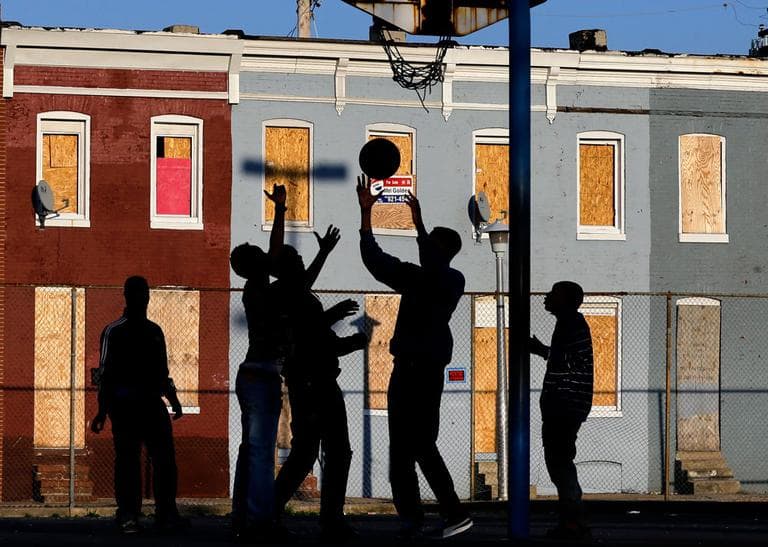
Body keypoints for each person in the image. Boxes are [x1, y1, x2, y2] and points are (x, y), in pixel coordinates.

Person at [355, 175, 472, 540]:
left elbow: (395, 262)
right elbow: (376, 260)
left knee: (417, 446)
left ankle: (451, 512)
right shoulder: (428, 278)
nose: (424, 248)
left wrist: (413, 223)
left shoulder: (447, 279)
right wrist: (369, 215)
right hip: (414, 368)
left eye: (430, 245)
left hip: (418, 370)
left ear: (441, 251)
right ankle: (417, 518)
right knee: (405, 451)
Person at [272, 238, 367, 543]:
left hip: (313, 382)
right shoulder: (289, 298)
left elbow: (319, 339)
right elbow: (310, 336)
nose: (303, 264)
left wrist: (347, 343)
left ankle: (276, 512)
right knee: (325, 452)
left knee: (312, 452)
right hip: (314, 384)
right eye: (297, 262)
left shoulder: (296, 295)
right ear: (287, 270)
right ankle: (326, 520)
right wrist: (336, 317)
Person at [91, 275, 186, 534]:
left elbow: (162, 371)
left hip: (151, 404)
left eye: (143, 293)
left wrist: (173, 399)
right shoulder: (114, 331)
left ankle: (165, 513)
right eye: (137, 293)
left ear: (147, 297)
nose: (142, 298)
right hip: (125, 406)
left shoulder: (154, 331)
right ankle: (129, 514)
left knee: (164, 460)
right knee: (129, 461)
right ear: (128, 296)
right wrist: (102, 411)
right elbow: (105, 374)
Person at [229, 184, 292, 542]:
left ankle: (244, 517)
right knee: (259, 454)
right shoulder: (260, 290)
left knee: (250, 451)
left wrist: (281, 211)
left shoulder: (257, 287)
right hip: (262, 376)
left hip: (256, 375)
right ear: (255, 264)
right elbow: (277, 254)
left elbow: (275, 253)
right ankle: (258, 523)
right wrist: (280, 212)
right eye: (258, 253)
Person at [529, 281, 594, 540]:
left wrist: (545, 352)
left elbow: (571, 360)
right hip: (566, 403)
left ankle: (574, 522)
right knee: (560, 462)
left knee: (559, 463)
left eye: (553, 294)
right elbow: (566, 357)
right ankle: (572, 521)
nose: (547, 297)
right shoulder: (569, 324)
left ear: (565, 300)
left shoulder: (572, 324)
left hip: (564, 403)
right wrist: (542, 350)